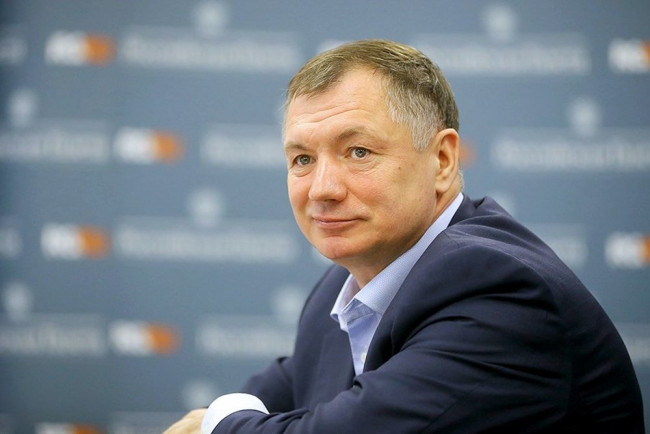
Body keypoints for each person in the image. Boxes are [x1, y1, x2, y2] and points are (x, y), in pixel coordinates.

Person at [165, 39, 645, 433]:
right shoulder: (339, 291)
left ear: (442, 161)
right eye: (302, 159)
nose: (323, 189)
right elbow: (277, 398)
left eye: (358, 151)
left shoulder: (498, 290)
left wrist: (217, 424)